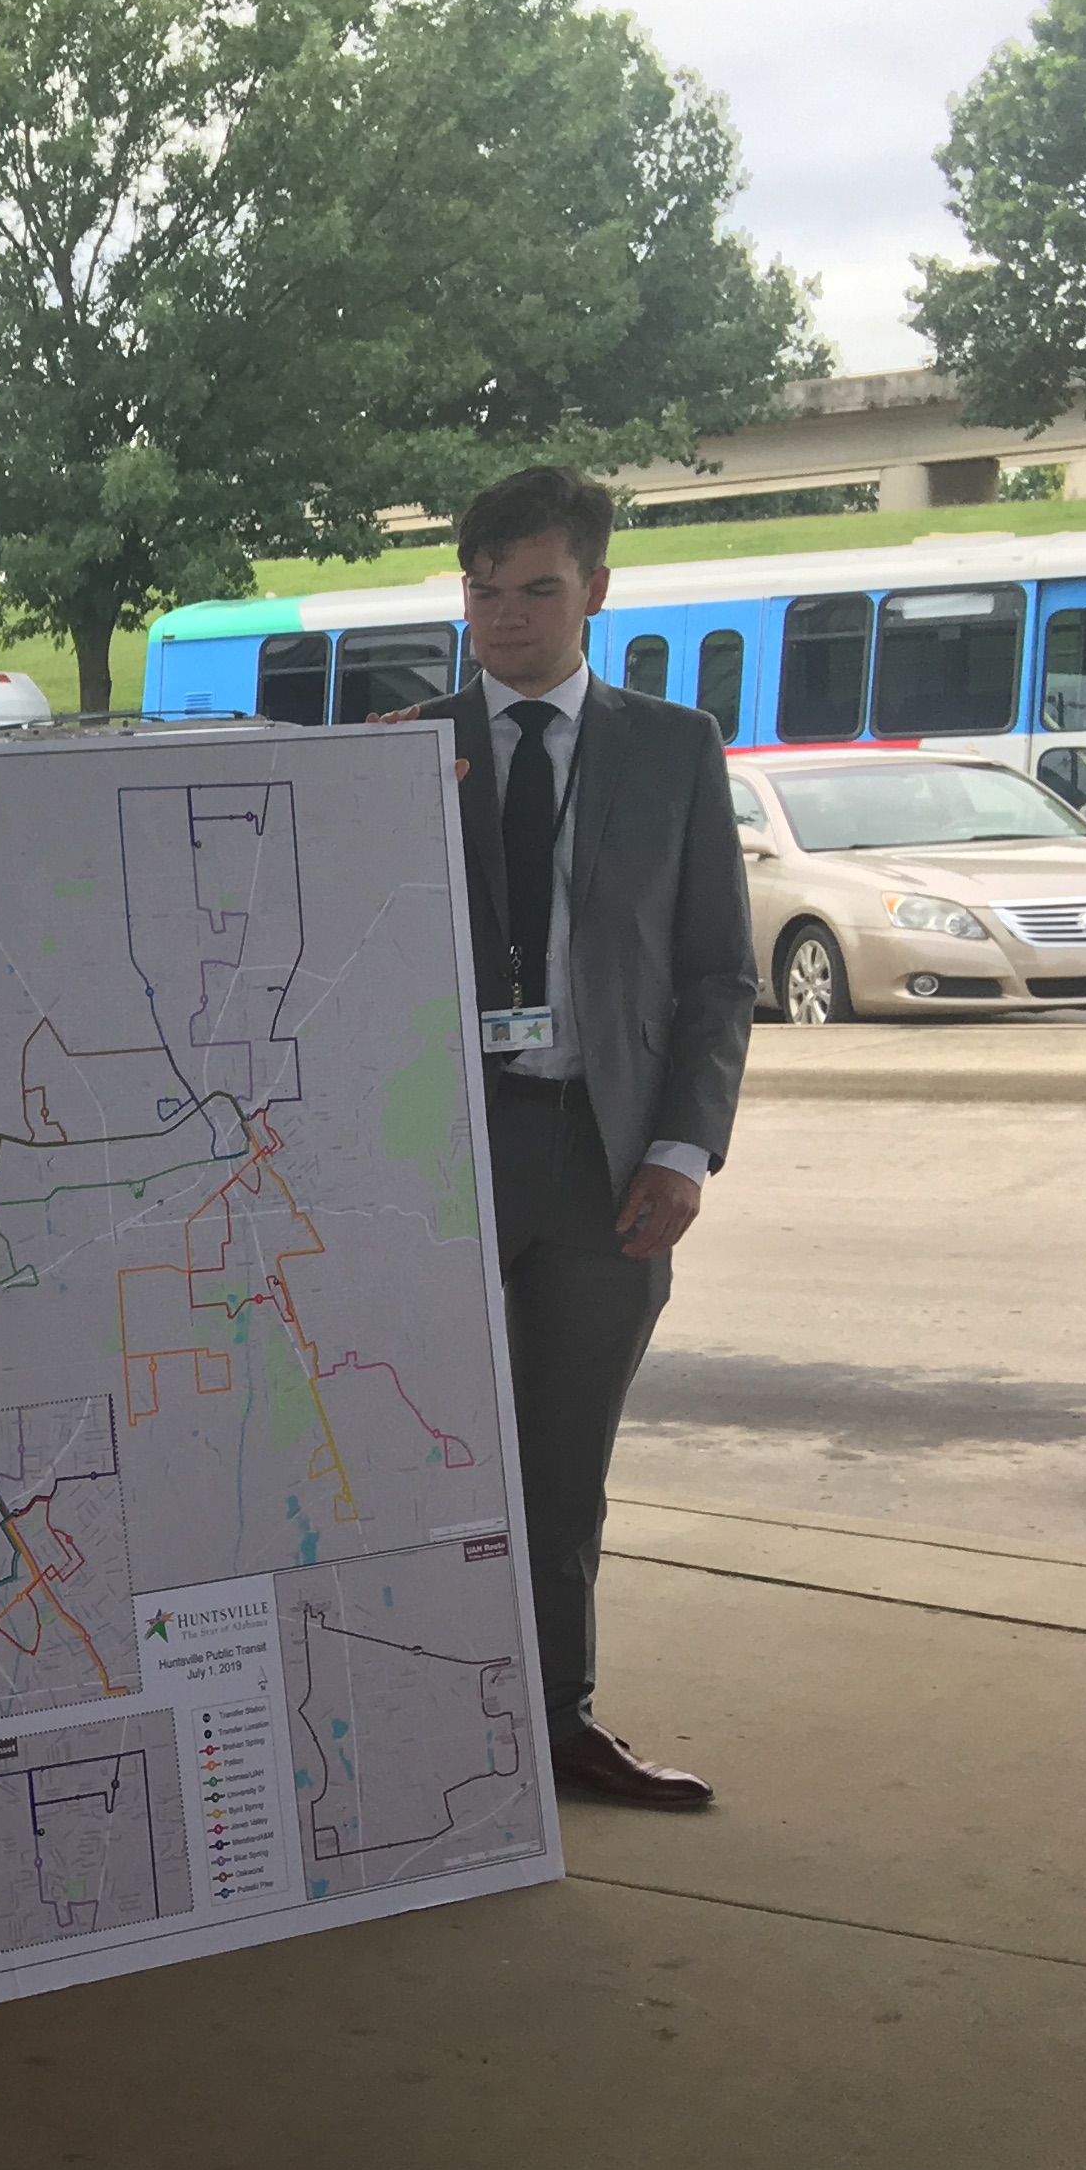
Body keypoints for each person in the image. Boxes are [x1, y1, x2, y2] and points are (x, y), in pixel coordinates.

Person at [405, 464, 753, 1811]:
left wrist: (682, 1151)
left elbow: (718, 973)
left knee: (560, 1469)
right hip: (435, 1160)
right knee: (410, 1446)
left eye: (537, 590)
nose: (506, 618)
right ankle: (417, 1715)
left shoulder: (673, 749)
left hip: (601, 1162)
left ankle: (555, 1725)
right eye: (484, 591)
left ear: (597, 590)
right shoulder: (404, 749)